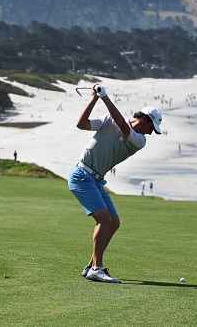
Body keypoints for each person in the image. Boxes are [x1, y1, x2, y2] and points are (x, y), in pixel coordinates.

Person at [68, 83, 162, 284]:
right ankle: (97, 268)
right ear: (144, 119)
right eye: (151, 127)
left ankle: (91, 265)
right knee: (104, 220)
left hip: (96, 180)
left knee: (113, 222)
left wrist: (105, 97)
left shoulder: (139, 140)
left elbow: (122, 123)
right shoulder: (107, 120)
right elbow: (81, 124)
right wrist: (94, 98)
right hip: (82, 175)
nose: (151, 133)